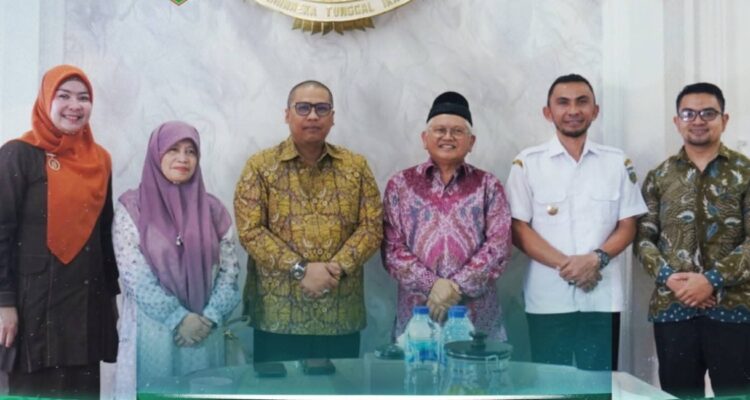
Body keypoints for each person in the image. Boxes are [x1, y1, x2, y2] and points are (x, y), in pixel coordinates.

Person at [234, 80, 383, 363]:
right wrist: (301, 269)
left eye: (321, 108)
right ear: (287, 114)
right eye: (303, 108)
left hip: (340, 313)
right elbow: (251, 231)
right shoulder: (260, 166)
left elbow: (372, 228)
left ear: (332, 117)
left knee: (340, 386)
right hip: (278, 316)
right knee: (276, 387)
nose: (313, 116)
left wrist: (334, 269)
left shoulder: (356, 166)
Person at [506, 74, 647, 371]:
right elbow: (518, 229)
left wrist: (595, 259)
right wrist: (569, 266)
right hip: (548, 298)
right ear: (548, 112)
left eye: (582, 102)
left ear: (595, 111)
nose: (573, 110)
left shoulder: (616, 162)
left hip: (602, 297)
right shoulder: (528, 163)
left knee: (599, 385)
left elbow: (628, 225)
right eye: (563, 103)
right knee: (549, 384)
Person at [0, 65, 119, 398]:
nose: (74, 106)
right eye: (63, 96)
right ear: (46, 100)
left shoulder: (100, 160)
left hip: (85, 305)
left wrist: (111, 300)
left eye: (83, 98)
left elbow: (104, 234)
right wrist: (3, 303)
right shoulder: (18, 154)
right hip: (33, 305)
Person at [634, 83, 750, 397]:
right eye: (688, 113)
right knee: (679, 395)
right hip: (674, 308)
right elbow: (642, 238)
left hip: (735, 308)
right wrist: (670, 279)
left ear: (724, 119)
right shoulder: (659, 176)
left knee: (736, 396)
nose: (698, 120)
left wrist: (711, 280)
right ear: (677, 121)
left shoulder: (745, 172)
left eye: (708, 113)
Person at [112, 121, 241, 396]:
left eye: (191, 151)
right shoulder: (132, 208)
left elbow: (230, 273)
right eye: (173, 149)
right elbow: (135, 276)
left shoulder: (213, 209)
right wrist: (178, 319)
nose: (183, 158)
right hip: (153, 332)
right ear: (156, 153)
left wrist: (209, 318)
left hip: (205, 332)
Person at [382, 91, 512, 340]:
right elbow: (392, 249)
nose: (448, 137)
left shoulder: (488, 185)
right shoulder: (400, 185)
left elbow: (499, 247)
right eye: (440, 130)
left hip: (476, 314)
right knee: (418, 363)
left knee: (476, 365)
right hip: (419, 315)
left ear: (471, 142)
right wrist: (432, 285)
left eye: (457, 131)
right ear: (425, 138)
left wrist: (455, 288)